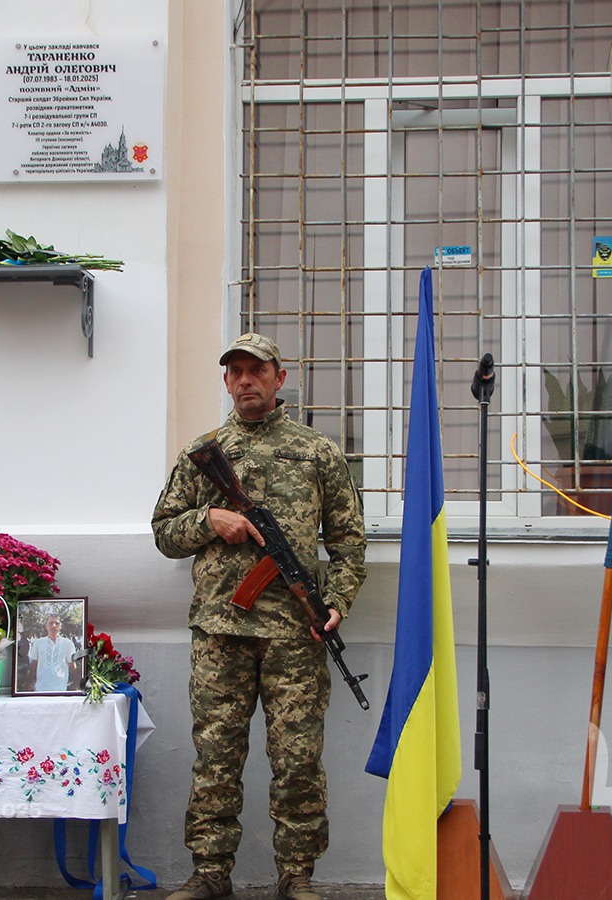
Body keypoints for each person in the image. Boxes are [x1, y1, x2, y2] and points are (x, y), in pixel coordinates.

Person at [151, 333, 367, 900]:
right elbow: (164, 533)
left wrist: (338, 598)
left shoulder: (317, 452)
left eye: (257, 371)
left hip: (296, 634)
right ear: (226, 381)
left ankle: (296, 875)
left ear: (279, 378)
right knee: (216, 758)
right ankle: (209, 873)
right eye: (236, 372)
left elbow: (348, 539)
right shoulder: (205, 452)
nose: (246, 380)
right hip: (220, 632)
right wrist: (209, 519)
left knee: (298, 759)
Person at [28, 614, 78, 692]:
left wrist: (76, 685)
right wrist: (29, 683)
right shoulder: (38, 643)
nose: (54, 626)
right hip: (40, 689)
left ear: (60, 626)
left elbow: (72, 665)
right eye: (51, 623)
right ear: (46, 626)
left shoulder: (68, 643)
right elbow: (34, 664)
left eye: (57, 623)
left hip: (61, 689)